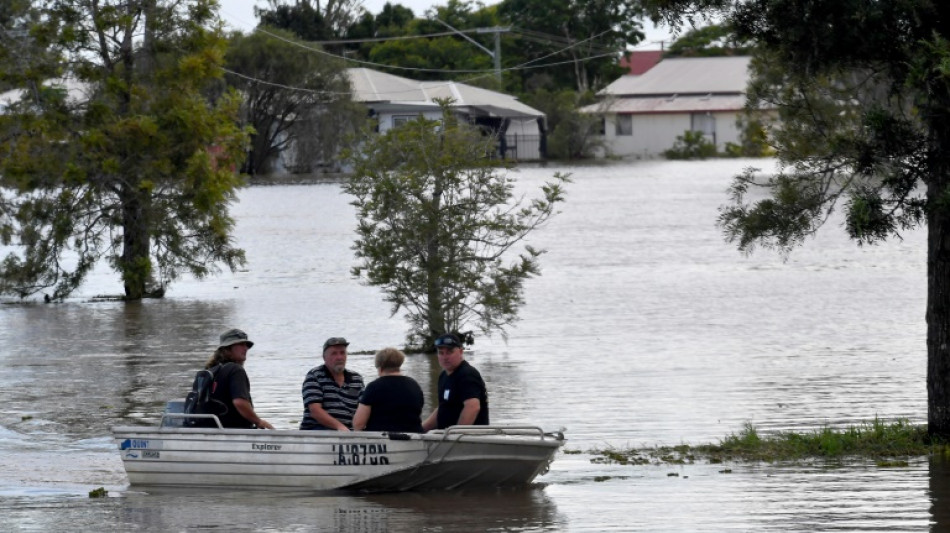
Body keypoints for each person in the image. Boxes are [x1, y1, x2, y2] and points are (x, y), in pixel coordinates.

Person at [203, 328, 274, 429]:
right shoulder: (235, 370)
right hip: (232, 431)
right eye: (241, 344)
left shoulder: (211, 370)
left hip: (208, 428)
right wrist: (258, 422)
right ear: (227, 348)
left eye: (246, 345)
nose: (245, 348)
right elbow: (240, 402)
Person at [421, 333, 489, 431]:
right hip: (446, 436)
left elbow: (472, 407)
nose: (445, 357)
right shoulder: (444, 375)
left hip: (469, 438)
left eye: (449, 352)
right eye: (441, 353)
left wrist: (455, 434)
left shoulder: (467, 374)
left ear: (460, 351)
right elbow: (443, 408)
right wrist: (420, 430)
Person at [352, 347, 424, 433]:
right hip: (414, 436)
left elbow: (358, 424)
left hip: (382, 439)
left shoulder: (374, 387)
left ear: (380, 368)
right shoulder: (414, 385)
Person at [300, 337, 364, 431]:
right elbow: (315, 410)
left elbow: (363, 408)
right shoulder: (315, 376)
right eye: (334, 353)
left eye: (342, 353)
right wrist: (339, 427)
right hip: (317, 430)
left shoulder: (356, 379)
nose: (339, 357)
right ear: (324, 357)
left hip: (349, 432)